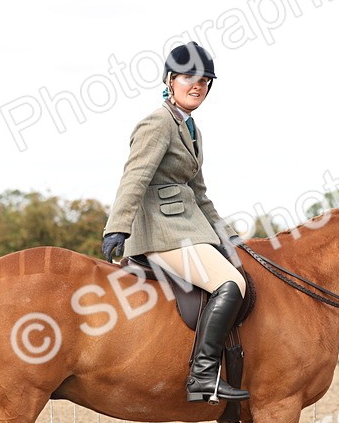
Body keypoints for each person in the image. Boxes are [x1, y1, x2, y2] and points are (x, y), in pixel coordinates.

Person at [101, 41, 249, 404]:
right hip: (162, 235)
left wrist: (229, 237)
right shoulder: (157, 123)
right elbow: (134, 178)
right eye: (188, 78)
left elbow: (200, 195)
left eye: (204, 80)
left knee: (239, 268)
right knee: (230, 283)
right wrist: (117, 226)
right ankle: (202, 377)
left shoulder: (192, 128)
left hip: (188, 229)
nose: (197, 86)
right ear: (170, 80)